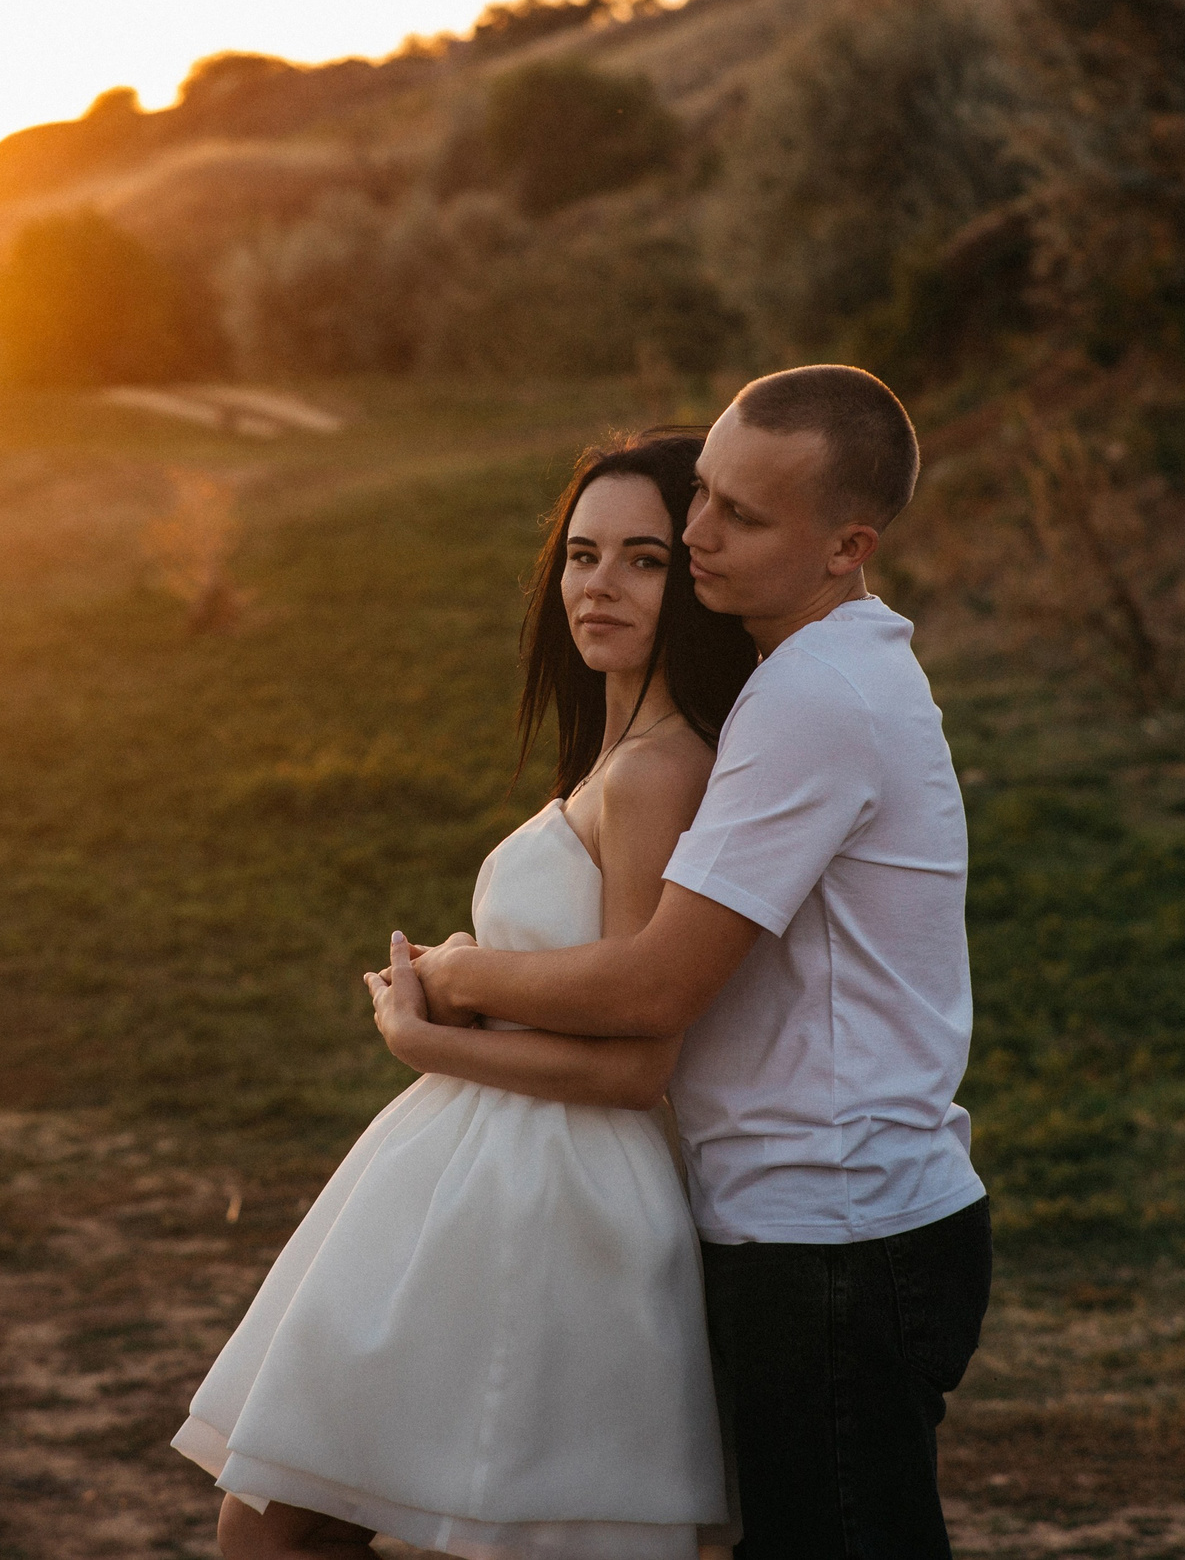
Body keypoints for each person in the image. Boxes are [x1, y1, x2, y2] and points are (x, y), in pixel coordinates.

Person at [411, 365, 993, 1559]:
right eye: (706, 496)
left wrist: (456, 979)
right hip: (833, 1223)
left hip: (834, 1235)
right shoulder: (830, 675)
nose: (698, 532)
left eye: (741, 515)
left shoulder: (814, 697)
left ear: (847, 545)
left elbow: (654, 984)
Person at [172, 433, 759, 1560]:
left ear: (696, 572)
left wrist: (425, 1036)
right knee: (285, 1510)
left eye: (644, 558)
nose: (599, 583)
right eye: (582, 555)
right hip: (487, 1181)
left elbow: (639, 1063)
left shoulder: (658, 770)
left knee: (300, 1522)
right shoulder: (612, 755)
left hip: (560, 1196)